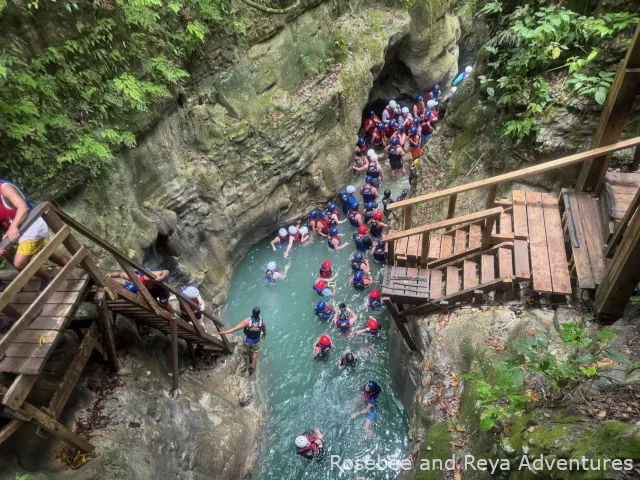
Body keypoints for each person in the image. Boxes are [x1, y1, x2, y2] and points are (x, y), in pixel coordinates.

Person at [0, 180, 69, 283]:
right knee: (49, 252)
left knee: (19, 263)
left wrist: (13, 227)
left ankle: (47, 278)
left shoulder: (5, 189)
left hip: (32, 226)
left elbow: (23, 208)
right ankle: (80, 267)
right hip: (19, 233)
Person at [218, 307, 266, 375]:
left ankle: (250, 358)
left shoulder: (247, 321)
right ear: (259, 313)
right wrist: (264, 334)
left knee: (248, 350)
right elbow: (264, 330)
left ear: (252, 312)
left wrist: (224, 332)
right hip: (256, 341)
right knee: (255, 353)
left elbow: (236, 328)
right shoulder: (262, 321)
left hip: (247, 340)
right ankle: (252, 367)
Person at [106, 268, 171, 311]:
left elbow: (166, 271)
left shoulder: (147, 278)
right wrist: (110, 275)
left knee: (164, 303)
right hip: (150, 289)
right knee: (152, 299)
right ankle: (158, 303)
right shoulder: (132, 278)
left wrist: (161, 277)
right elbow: (120, 274)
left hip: (160, 286)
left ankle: (172, 313)